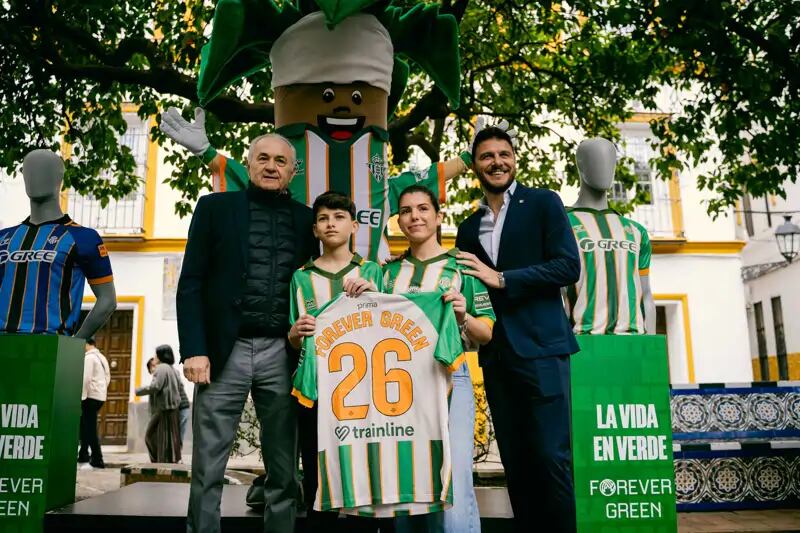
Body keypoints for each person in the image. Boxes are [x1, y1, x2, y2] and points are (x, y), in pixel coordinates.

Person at [176, 133, 318, 533]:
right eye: (263, 158)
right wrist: (195, 350)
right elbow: (191, 283)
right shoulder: (214, 208)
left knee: (284, 469)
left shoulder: (307, 220)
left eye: (280, 161)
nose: (271, 167)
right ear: (249, 163)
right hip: (224, 351)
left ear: (293, 171)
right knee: (208, 465)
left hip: (284, 352)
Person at [455, 126, 581, 533]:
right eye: (487, 155)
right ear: (475, 165)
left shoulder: (544, 203)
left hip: (543, 349)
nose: (497, 162)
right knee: (517, 461)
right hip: (496, 354)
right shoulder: (469, 227)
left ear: (515, 159)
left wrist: (503, 278)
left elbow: (567, 267)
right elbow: (470, 291)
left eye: (504, 154)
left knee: (551, 458)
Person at [383, 185, 495, 533]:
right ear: (398, 221)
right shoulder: (386, 275)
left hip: (449, 379)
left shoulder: (462, 267)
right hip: (397, 388)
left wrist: (463, 316)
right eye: (405, 211)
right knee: (406, 478)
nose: (414, 216)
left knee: (453, 475)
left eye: (422, 209)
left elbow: (487, 332)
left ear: (438, 216)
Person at [286, 191, 384, 532]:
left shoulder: (371, 271)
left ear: (354, 226)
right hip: (316, 391)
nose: (331, 224)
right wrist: (296, 332)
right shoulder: (301, 277)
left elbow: (389, 326)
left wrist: (374, 293)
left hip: (364, 392)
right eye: (324, 218)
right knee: (317, 474)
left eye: (339, 217)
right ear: (315, 229)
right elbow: (293, 338)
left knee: (364, 472)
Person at [136, 344, 182, 463]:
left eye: (156, 354)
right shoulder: (171, 368)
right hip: (172, 407)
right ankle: (168, 460)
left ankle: (158, 460)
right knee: (168, 436)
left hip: (164, 408)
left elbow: (156, 386)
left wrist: (138, 390)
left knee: (150, 436)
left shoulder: (161, 368)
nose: (154, 357)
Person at [78, 338, 110, 469]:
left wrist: (82, 396)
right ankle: (83, 454)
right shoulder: (101, 357)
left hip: (90, 397)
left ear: (87, 344)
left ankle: (97, 458)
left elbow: (85, 378)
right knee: (85, 425)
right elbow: (107, 377)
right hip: (99, 396)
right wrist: (101, 390)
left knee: (90, 428)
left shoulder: (89, 358)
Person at [155, 345, 191, 445]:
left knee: (177, 434)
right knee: (176, 434)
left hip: (180, 406)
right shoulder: (170, 370)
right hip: (180, 406)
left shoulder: (167, 370)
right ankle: (176, 457)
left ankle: (177, 457)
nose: (155, 357)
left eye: (156, 355)